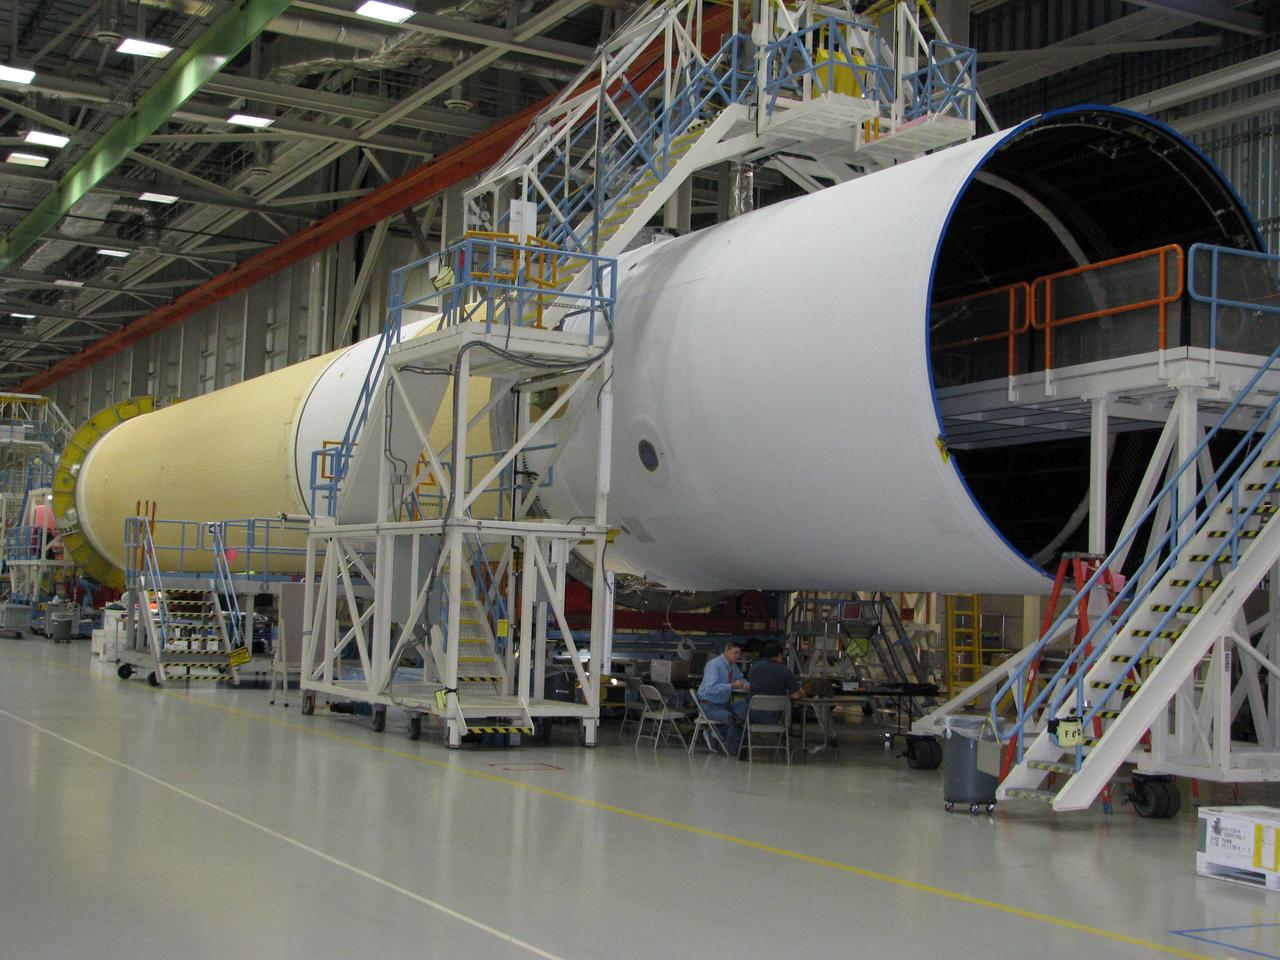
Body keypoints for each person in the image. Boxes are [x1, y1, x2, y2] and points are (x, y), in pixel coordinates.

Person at [697, 639, 750, 755]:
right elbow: (710, 688)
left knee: (743, 712)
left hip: (723, 704)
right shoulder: (715, 665)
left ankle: (719, 735)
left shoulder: (733, 666)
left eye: (739, 654)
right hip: (708, 705)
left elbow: (740, 679)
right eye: (735, 653)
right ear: (727, 651)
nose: (737, 656)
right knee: (731, 718)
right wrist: (731, 686)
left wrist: (746, 685)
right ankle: (731, 750)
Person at [744, 641, 806, 724]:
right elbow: (795, 695)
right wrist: (803, 692)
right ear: (779, 654)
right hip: (773, 716)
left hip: (751, 714)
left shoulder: (754, 669)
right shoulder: (785, 671)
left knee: (736, 707)